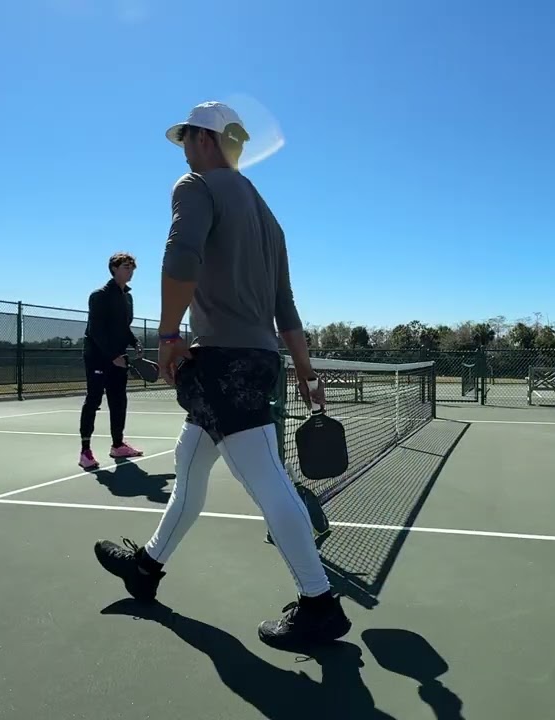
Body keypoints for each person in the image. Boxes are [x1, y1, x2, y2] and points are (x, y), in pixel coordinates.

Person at [91, 101, 351, 649]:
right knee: (190, 459)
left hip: (222, 361)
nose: (183, 148)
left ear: (205, 140)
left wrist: (166, 337)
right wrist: (304, 372)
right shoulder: (268, 216)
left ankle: (319, 602)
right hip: (257, 360)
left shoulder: (195, 185)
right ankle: (147, 568)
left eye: (186, 138)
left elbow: (180, 255)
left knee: (266, 481)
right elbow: (286, 305)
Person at [78, 252, 146, 470]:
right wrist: (112, 356)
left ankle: (118, 445)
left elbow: (123, 328)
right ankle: (85, 451)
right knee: (94, 400)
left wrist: (135, 342)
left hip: (119, 357)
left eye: (132, 267)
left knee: (119, 400)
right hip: (98, 357)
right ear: (114, 269)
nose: (130, 271)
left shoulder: (127, 297)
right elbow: (95, 330)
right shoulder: (99, 296)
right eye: (126, 267)